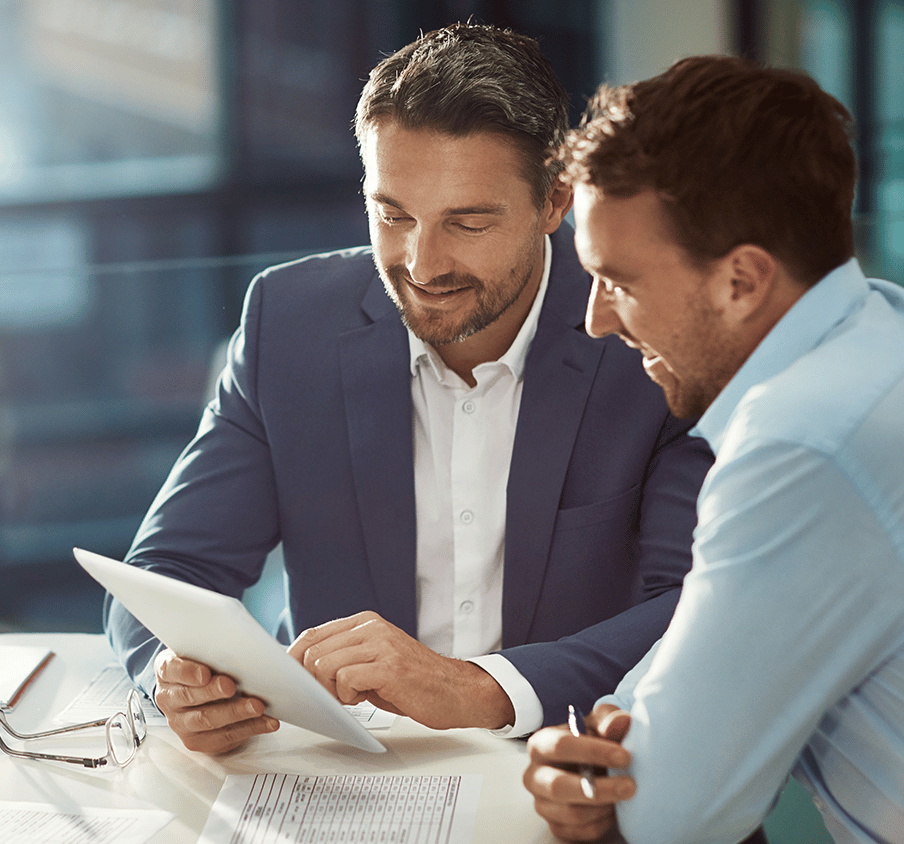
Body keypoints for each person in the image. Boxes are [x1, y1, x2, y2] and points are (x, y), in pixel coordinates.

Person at [103, 24, 712, 757]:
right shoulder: (287, 324)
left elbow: (696, 607)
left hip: (566, 761)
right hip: (347, 772)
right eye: (393, 216)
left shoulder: (646, 338)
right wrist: (177, 676)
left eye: (468, 222)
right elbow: (165, 574)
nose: (422, 264)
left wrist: (480, 689)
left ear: (555, 202)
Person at [523, 53, 904, 844]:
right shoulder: (879, 330)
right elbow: (699, 653)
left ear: (743, 281)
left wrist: (619, 767)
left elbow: (667, 815)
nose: (597, 319)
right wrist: (626, 728)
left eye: (619, 282)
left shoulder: (802, 444)